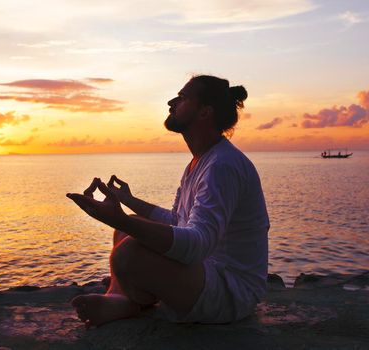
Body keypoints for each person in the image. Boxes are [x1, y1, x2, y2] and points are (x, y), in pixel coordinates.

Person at [66, 75, 270, 327]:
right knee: (124, 230)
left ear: (205, 112)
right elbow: (178, 221)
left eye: (182, 98)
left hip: (231, 293)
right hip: (206, 273)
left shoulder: (222, 166)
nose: (171, 103)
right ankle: (121, 298)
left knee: (128, 252)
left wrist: (120, 219)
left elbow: (197, 244)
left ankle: (127, 301)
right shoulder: (199, 162)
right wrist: (128, 202)